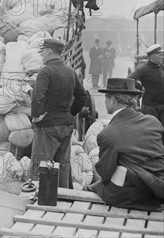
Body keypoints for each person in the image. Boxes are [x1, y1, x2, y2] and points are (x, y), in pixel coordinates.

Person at [88, 77, 164, 211]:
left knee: (98, 184)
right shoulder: (153, 122)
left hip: (129, 195)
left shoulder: (108, 133)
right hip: (158, 189)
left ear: (112, 100)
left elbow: (105, 174)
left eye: (106, 97)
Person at [30, 38, 87, 188]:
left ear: (48, 51)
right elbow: (82, 96)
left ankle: (35, 197)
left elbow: (37, 97)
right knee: (62, 165)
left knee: (40, 165)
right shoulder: (70, 72)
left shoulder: (45, 71)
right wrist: (71, 113)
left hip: (47, 126)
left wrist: (36, 116)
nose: (41, 55)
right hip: (66, 125)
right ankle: (62, 197)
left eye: (42, 52)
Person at [129, 44, 164, 125]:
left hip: (162, 105)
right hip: (150, 107)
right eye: (160, 55)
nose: (162, 57)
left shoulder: (161, 66)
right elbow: (129, 79)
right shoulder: (143, 69)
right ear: (153, 56)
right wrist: (140, 87)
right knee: (151, 129)